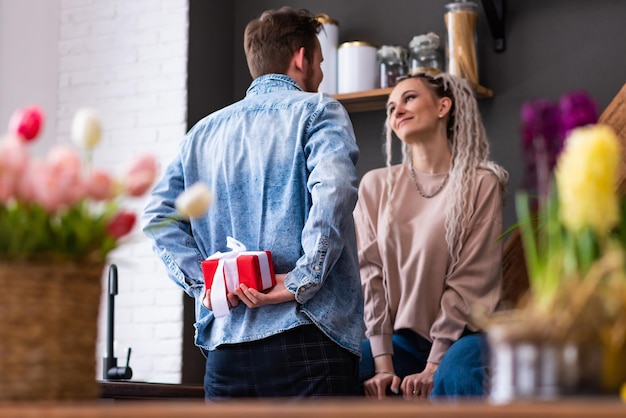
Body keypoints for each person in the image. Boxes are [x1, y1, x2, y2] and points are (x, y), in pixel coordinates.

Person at [142, 7, 363, 399]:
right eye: (320, 61)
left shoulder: (200, 134)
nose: (321, 74)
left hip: (226, 352)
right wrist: (301, 279)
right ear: (301, 57)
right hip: (308, 339)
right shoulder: (318, 110)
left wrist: (208, 285)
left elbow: (159, 218)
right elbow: (335, 191)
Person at [354, 72, 509, 400]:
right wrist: (383, 363)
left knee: (456, 373)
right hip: (401, 341)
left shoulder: (481, 184)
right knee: (339, 365)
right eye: (391, 106)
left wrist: (435, 363)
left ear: (443, 106)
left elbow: (469, 283)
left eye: (408, 98)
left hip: (466, 335)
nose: (397, 111)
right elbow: (372, 278)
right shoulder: (375, 185)